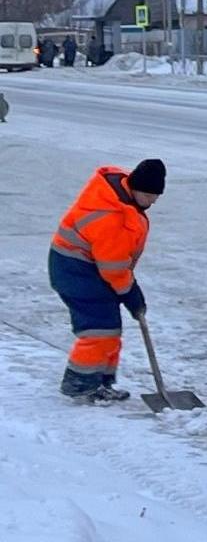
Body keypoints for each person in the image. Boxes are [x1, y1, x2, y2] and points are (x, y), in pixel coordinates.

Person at [48, 160, 164, 403]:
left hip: (90, 267)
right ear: (134, 187)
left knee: (110, 329)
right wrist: (131, 294)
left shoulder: (122, 194)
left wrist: (128, 290)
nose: (152, 201)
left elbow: (115, 265)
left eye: (156, 196)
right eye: (148, 195)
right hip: (76, 271)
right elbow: (113, 269)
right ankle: (79, 385)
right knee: (99, 330)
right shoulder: (111, 217)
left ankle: (100, 382)